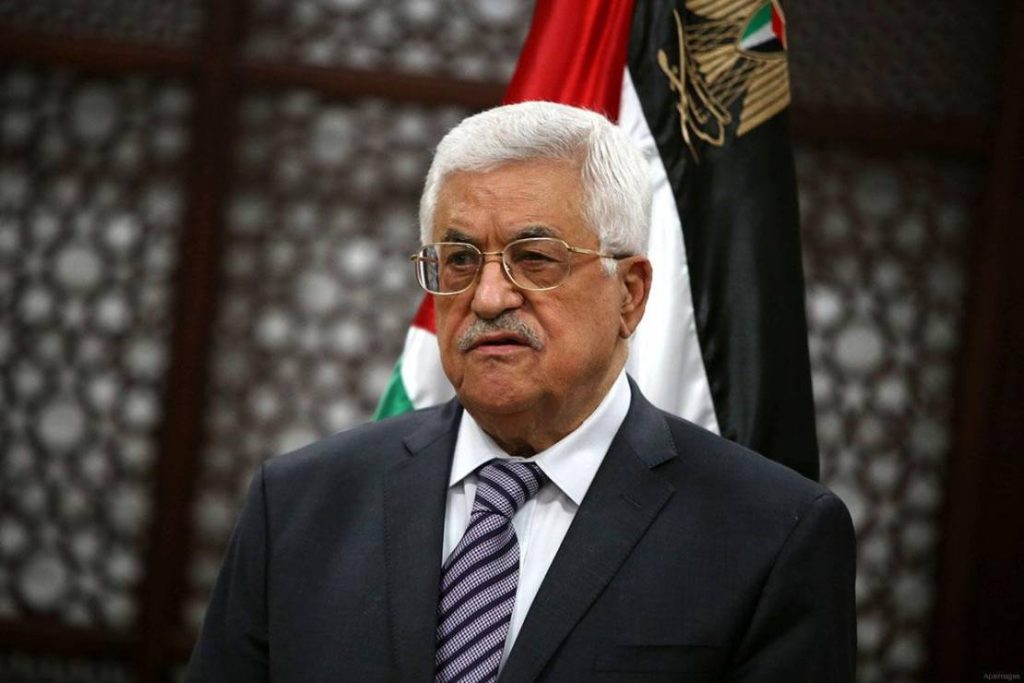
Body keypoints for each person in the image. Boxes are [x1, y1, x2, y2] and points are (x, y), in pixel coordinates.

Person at [186, 101, 856, 682]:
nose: (488, 297)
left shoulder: (772, 535)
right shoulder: (299, 504)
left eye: (534, 258)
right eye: (459, 260)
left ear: (630, 294)